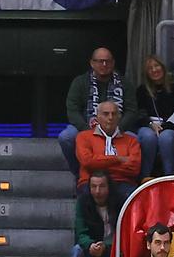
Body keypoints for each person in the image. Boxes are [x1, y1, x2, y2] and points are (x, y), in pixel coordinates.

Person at [59, 47, 138, 177]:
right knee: (66, 137)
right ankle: (81, 175)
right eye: (100, 61)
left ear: (113, 63)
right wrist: (87, 131)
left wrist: (118, 128)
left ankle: (127, 179)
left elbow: (131, 110)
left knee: (137, 139)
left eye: (107, 61)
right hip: (86, 127)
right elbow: (73, 110)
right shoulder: (80, 82)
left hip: (118, 128)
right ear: (92, 63)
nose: (104, 65)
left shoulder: (124, 83)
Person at [70, 171, 120, 257]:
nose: (97, 191)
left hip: (115, 247)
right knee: (77, 250)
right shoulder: (83, 202)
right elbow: (80, 233)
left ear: (109, 187)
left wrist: (107, 245)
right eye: (94, 186)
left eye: (102, 186)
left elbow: (123, 232)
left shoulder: (120, 201)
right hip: (92, 247)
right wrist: (90, 245)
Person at [74, 100, 140, 201]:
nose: (110, 118)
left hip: (122, 182)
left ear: (119, 117)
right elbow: (87, 162)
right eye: (106, 114)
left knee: (133, 197)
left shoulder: (131, 140)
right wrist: (118, 159)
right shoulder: (83, 137)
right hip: (91, 182)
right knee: (87, 195)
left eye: (114, 114)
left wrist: (98, 165)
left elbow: (134, 168)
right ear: (97, 117)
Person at [135, 55, 174, 178]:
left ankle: (169, 177)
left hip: (171, 126)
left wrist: (165, 126)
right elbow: (139, 112)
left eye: (157, 66)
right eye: (150, 68)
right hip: (148, 125)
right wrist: (150, 124)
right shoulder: (142, 90)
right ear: (146, 73)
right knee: (148, 137)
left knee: (166, 138)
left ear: (163, 67)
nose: (154, 70)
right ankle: (145, 178)